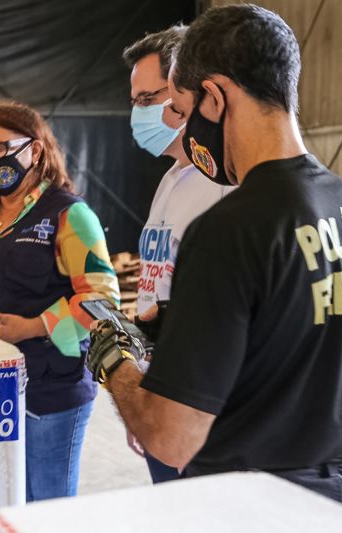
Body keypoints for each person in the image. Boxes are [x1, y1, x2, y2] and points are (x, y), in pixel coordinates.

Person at [87, 4, 342, 519]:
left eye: (185, 109)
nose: (184, 129)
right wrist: (182, 326)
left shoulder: (228, 231)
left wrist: (113, 362)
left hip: (255, 507)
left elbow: (171, 438)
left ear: (214, 97)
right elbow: (320, 341)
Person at [0, 101, 120, 502]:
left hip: (50, 390)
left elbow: (101, 299)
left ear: (34, 150)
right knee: (0, 501)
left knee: (47, 505)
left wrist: (32, 327)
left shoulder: (69, 215)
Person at [122, 25, 234, 484]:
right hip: (164, 391)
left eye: (148, 99)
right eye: (135, 100)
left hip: (202, 414)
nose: (138, 112)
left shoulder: (225, 187)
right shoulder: (173, 178)